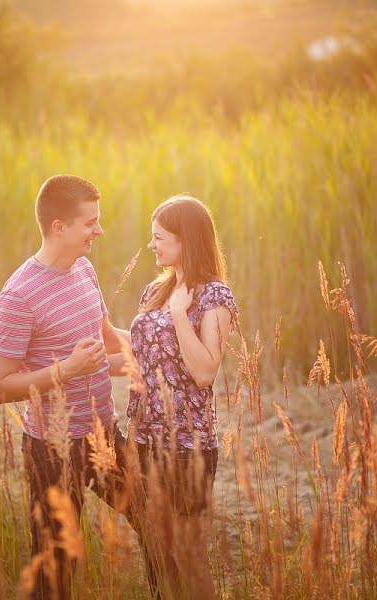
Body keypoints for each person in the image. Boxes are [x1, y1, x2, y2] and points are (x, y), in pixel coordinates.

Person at [0, 174, 132, 600]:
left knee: (157, 521)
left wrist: (160, 347)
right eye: (91, 223)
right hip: (50, 450)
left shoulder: (84, 269)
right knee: (54, 572)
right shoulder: (18, 296)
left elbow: (109, 339)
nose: (99, 231)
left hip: (104, 434)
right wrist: (67, 370)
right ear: (60, 227)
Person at [127, 194, 238, 600]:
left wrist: (178, 314)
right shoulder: (156, 289)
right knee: (157, 553)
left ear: (185, 240)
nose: (152, 245)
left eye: (159, 237)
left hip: (187, 446)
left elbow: (205, 370)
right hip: (143, 440)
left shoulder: (214, 296)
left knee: (190, 555)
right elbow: (144, 350)